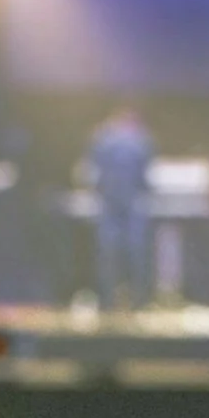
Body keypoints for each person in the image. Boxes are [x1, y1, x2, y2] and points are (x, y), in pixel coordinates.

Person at [86, 105, 157, 311]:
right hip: (129, 200)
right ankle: (139, 301)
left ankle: (107, 301)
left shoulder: (101, 137)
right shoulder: (141, 139)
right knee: (134, 252)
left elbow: (94, 169)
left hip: (111, 200)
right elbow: (145, 173)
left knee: (110, 253)